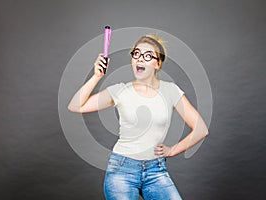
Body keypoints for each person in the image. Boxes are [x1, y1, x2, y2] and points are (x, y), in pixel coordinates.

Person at [68, 35, 209, 200]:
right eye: (137, 54)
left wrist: (172, 150)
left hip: (156, 170)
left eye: (148, 55)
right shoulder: (120, 91)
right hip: (122, 170)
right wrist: (97, 76)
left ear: (157, 63)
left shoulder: (171, 91)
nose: (140, 59)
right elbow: (75, 106)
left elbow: (201, 129)